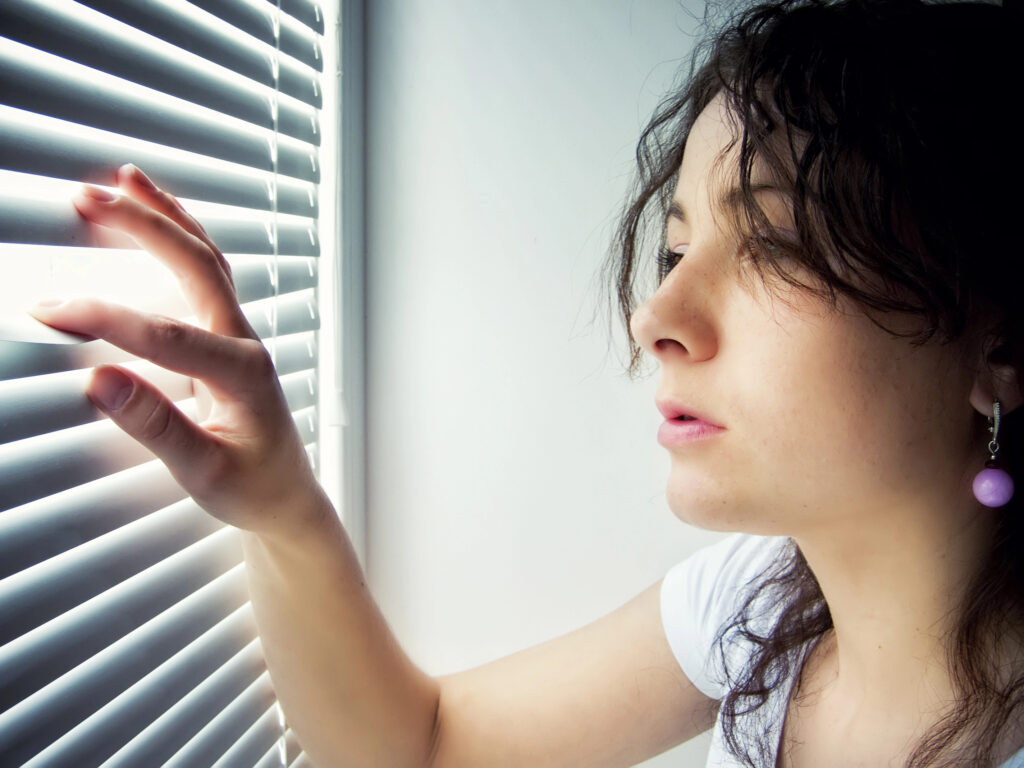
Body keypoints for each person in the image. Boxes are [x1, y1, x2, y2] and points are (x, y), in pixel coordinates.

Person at [28, 0, 1024, 765]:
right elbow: (419, 746)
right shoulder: (758, 603)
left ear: (999, 345)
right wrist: (283, 506)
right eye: (676, 249)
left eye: (771, 245)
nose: (656, 319)